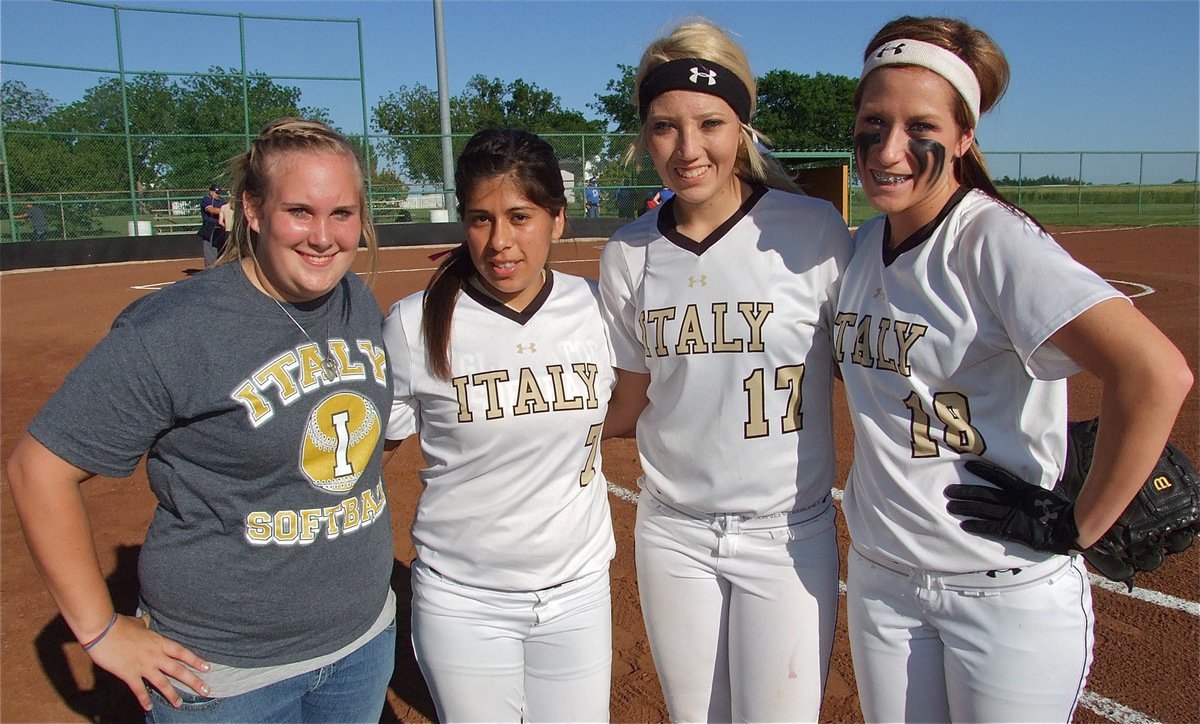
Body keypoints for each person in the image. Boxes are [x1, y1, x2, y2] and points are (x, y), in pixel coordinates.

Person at [836, 16, 1193, 722]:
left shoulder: (993, 240)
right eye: (874, 122)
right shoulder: (861, 246)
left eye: (921, 127)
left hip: (999, 592)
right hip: (884, 581)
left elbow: (1156, 373)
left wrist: (1082, 524)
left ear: (965, 139)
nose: (890, 148)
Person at [7, 117, 397, 723]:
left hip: (362, 643)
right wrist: (100, 631)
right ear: (253, 209)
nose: (324, 237)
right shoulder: (173, 329)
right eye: (300, 211)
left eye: (343, 214)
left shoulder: (357, 302)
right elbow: (39, 470)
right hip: (226, 677)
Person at [598, 19, 852, 722]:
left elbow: (879, 369)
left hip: (788, 532)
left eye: (709, 122)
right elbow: (630, 399)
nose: (687, 149)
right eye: (663, 127)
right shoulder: (628, 254)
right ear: (643, 133)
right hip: (674, 532)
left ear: (743, 125)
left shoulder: (815, 232)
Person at [382, 128, 616, 722]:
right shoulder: (412, 325)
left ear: (557, 220)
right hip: (463, 601)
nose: (500, 241)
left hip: (578, 595)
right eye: (481, 219)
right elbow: (365, 460)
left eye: (520, 216)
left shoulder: (600, 308)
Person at [198, 185, 227, 268]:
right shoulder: (206, 200)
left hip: (221, 227)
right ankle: (210, 269)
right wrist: (224, 211)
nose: (217, 194)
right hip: (210, 227)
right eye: (216, 192)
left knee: (222, 249)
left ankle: (221, 268)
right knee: (210, 251)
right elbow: (211, 210)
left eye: (219, 193)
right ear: (210, 191)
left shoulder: (222, 201)